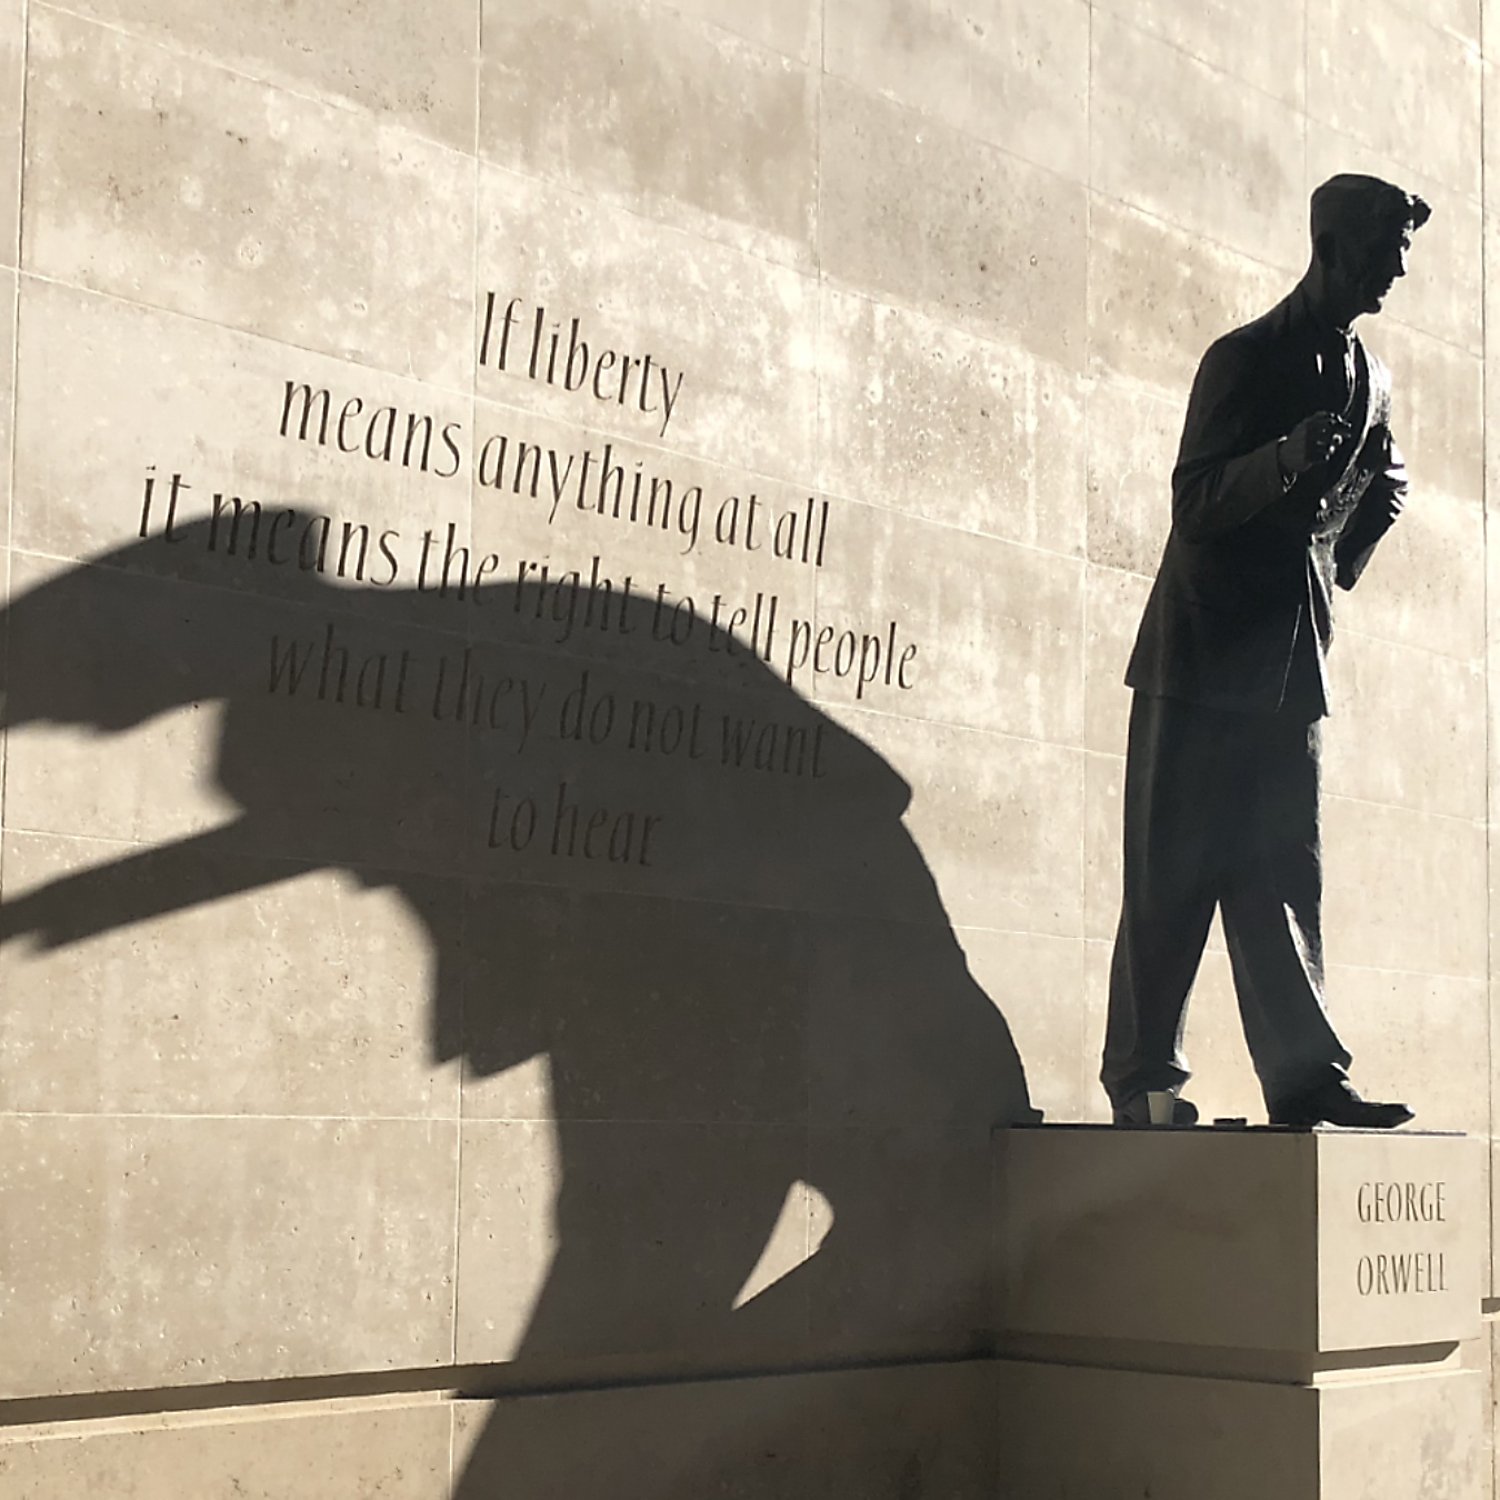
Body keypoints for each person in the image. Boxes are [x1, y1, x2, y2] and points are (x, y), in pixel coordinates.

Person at [1103, 173, 1431, 1129]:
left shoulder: (1371, 376)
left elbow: (1379, 491)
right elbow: (1194, 501)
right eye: (1385, 251)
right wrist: (1284, 459)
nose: (1397, 271)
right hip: (1201, 659)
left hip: (1293, 666)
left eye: (1403, 252)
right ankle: (1144, 1083)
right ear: (1331, 246)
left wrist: (1351, 539)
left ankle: (1303, 1078)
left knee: (1285, 869)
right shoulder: (1243, 359)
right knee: (1172, 873)